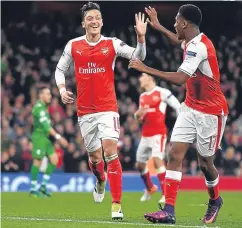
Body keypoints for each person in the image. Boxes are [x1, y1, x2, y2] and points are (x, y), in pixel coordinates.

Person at [129, 4, 228, 224]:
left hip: (211, 113)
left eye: (176, 21)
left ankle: (215, 199)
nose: (174, 24)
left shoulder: (200, 47)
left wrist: (146, 68)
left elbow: (180, 79)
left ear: (184, 23)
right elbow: (177, 39)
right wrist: (158, 26)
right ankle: (169, 210)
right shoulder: (191, 40)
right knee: (174, 154)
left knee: (205, 164)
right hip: (190, 107)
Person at [54, 1, 147, 220]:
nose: (94, 21)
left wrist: (141, 38)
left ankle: (116, 204)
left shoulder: (112, 44)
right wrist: (61, 89)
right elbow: (59, 69)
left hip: (108, 109)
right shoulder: (73, 45)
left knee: (110, 151)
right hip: (85, 112)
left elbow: (138, 57)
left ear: (102, 21)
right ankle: (100, 180)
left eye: (97, 17)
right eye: (89, 18)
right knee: (95, 159)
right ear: (83, 23)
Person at [134, 73, 180, 203]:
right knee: (139, 165)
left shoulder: (162, 92)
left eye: (142, 76)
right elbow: (140, 118)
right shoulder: (142, 97)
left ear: (149, 78)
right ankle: (150, 188)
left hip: (158, 134)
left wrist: (180, 126)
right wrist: (137, 116)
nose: (140, 79)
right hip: (145, 135)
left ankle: (166, 194)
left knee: (157, 160)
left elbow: (177, 106)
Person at [30, 87, 68, 197]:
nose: (50, 96)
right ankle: (33, 189)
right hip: (39, 137)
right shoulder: (39, 108)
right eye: (47, 94)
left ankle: (42, 186)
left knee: (54, 160)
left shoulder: (44, 107)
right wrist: (59, 137)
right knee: (38, 161)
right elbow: (46, 126)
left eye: (50, 94)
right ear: (41, 95)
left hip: (45, 138)